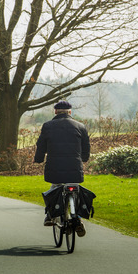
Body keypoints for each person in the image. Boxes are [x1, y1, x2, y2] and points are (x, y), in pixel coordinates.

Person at [34, 100, 90, 236]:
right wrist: (84, 159)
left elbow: (41, 145)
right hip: (74, 167)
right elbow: (86, 146)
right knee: (75, 190)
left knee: (55, 188)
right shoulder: (80, 126)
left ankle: (50, 215)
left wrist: (39, 159)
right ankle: (78, 218)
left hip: (55, 167)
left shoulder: (48, 126)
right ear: (70, 112)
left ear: (55, 111)